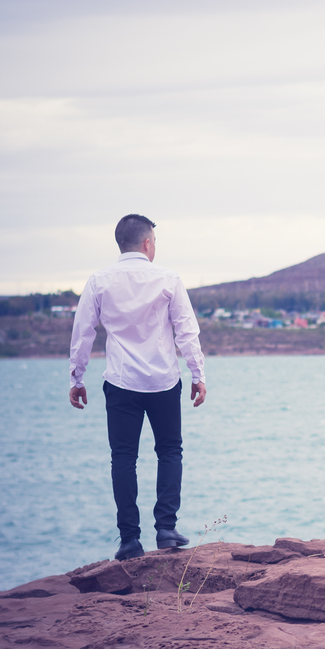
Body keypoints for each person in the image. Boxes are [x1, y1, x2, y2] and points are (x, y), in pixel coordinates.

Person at [68, 214, 207, 561]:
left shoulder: (99, 280)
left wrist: (77, 378)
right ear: (147, 243)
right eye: (155, 242)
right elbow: (186, 330)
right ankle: (166, 529)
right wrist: (197, 373)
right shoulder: (168, 278)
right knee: (170, 451)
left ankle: (129, 540)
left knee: (123, 458)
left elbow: (82, 330)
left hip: (120, 382)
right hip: (162, 380)